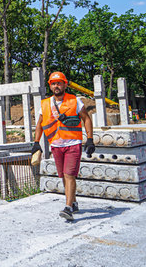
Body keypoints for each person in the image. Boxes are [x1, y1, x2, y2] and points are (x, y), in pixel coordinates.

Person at [32, 71, 95, 221]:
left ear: (65, 84)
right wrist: (36, 143)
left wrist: (90, 139)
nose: (56, 86)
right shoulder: (45, 104)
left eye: (59, 83)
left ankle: (67, 208)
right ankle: (73, 202)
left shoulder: (75, 101)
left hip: (73, 144)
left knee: (69, 175)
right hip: (56, 145)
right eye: (53, 83)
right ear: (50, 86)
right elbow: (40, 124)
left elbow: (86, 119)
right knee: (63, 177)